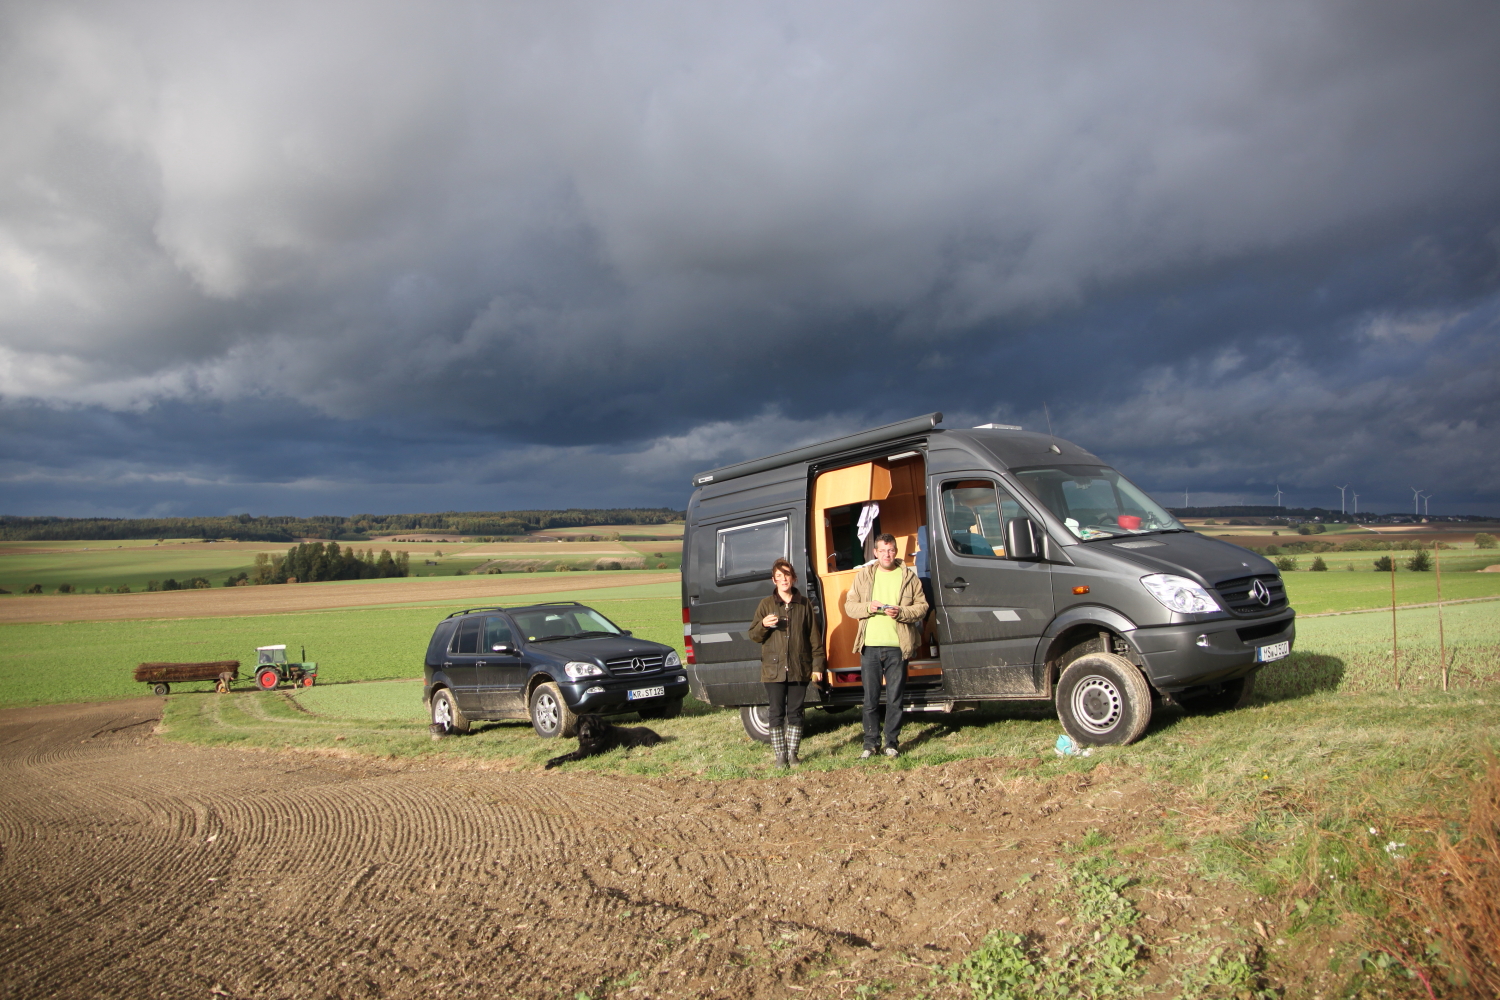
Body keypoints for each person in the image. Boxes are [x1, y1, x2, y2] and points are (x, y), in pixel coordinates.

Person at [844, 533, 929, 758]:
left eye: (890, 550)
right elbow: (850, 607)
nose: (887, 554)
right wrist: (868, 607)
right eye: (882, 550)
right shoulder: (864, 576)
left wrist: (901, 612)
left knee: (894, 698)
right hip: (869, 646)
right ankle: (870, 744)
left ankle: (892, 743)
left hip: (897, 646)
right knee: (870, 699)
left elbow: (922, 607)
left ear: (896, 551)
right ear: (875, 553)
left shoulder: (908, 576)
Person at [747, 558, 826, 768]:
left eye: (787, 575)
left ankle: (793, 754)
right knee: (776, 712)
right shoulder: (766, 604)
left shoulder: (804, 604)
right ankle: (780, 757)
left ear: (794, 578)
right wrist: (763, 625)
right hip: (773, 670)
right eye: (779, 577)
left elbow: (814, 639)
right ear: (774, 580)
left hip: (800, 667)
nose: (784, 580)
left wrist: (817, 667)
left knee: (796, 712)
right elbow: (754, 635)